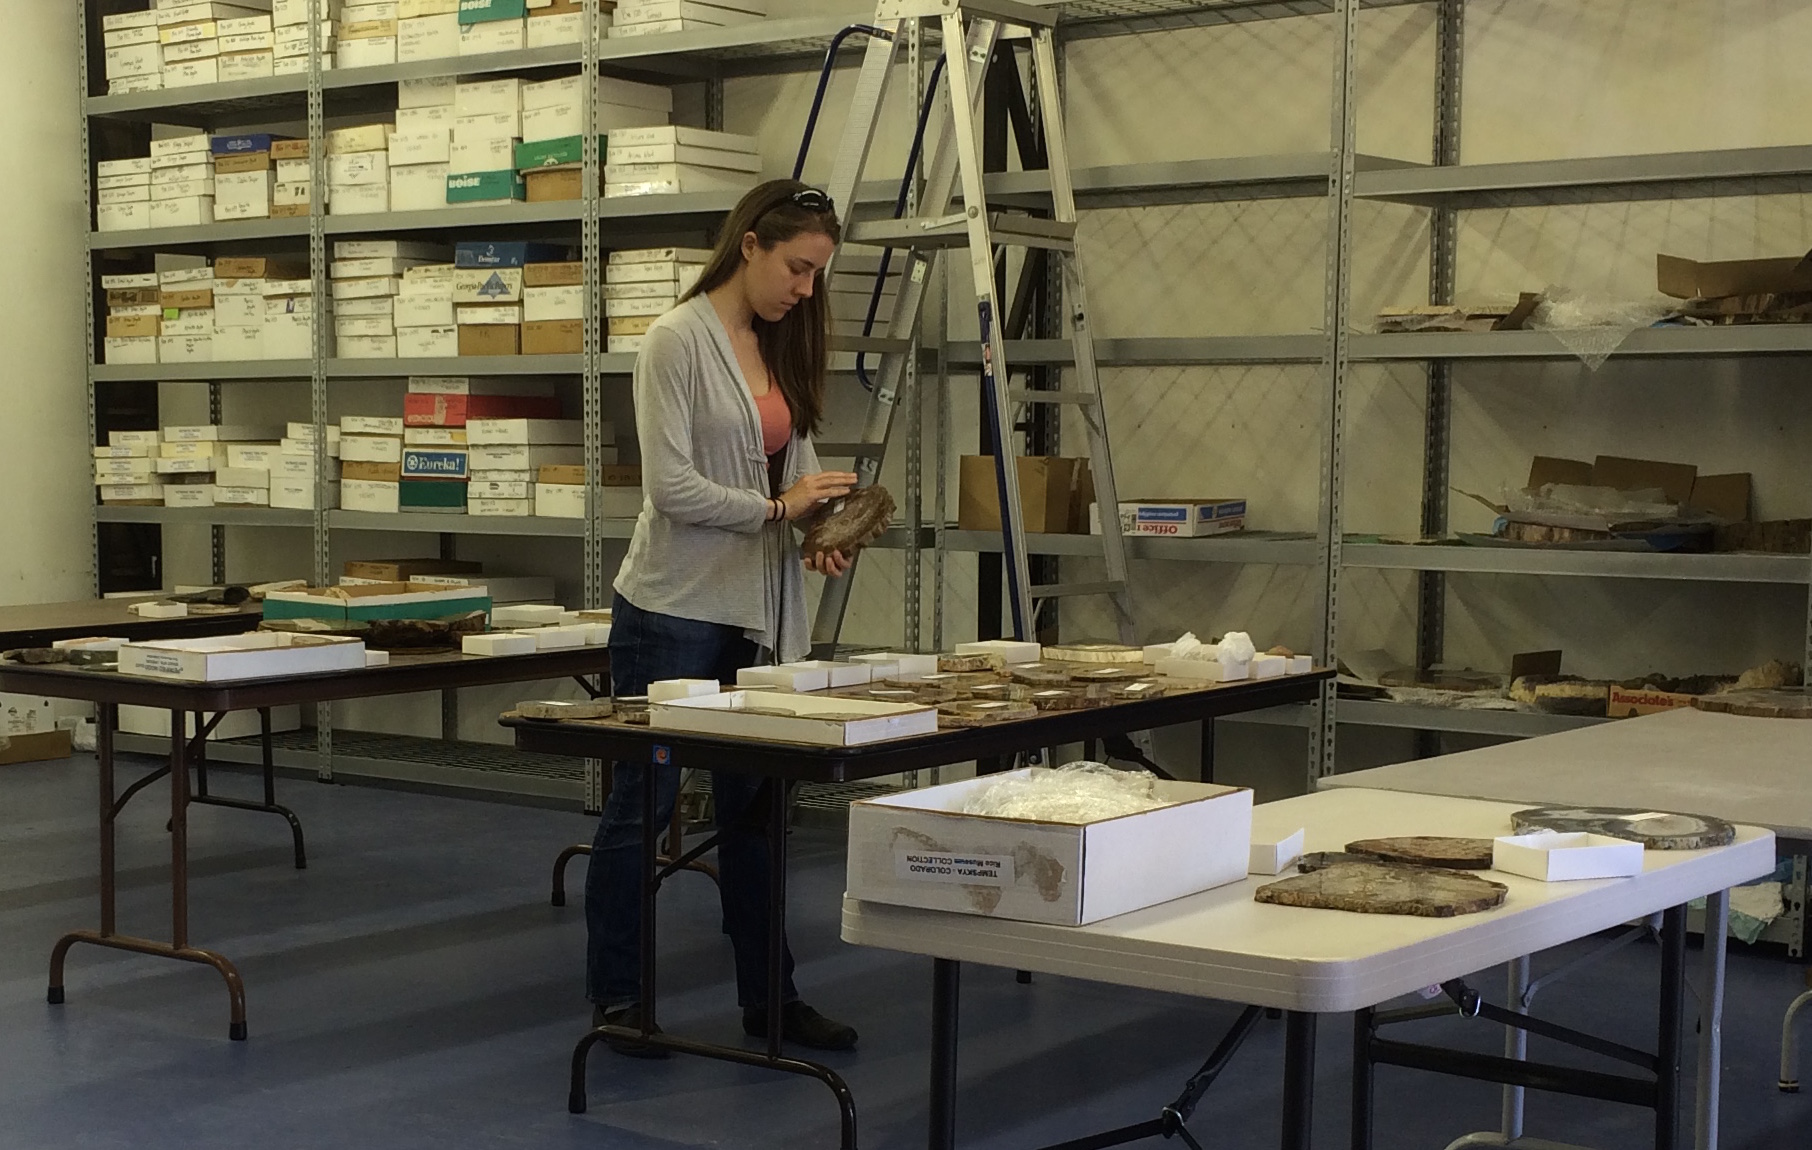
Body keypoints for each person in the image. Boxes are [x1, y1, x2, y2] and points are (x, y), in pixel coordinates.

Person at [585, 179, 861, 1056]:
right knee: (644, 804)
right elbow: (670, 490)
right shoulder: (674, 342)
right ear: (749, 245)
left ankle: (769, 1001)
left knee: (754, 811)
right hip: (674, 611)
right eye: (796, 268)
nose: (805, 290)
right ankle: (621, 999)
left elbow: (797, 461)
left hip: (757, 616)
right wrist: (781, 511)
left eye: (818, 275)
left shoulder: (778, 342)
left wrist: (820, 529)